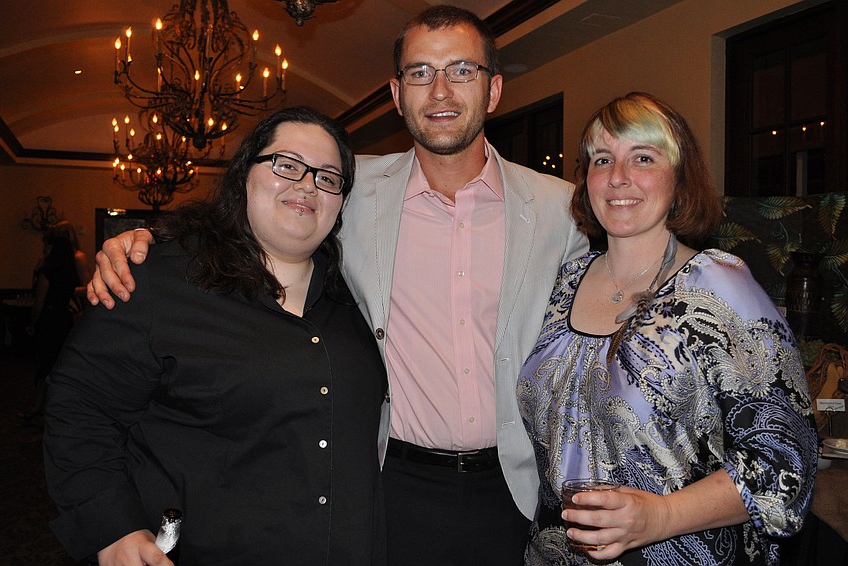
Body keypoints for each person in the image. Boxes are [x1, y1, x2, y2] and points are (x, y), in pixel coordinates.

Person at [86, 6, 589, 565]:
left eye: (462, 70)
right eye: (421, 72)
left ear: (493, 90)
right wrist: (143, 240)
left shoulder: (558, 209)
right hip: (385, 483)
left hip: (512, 487)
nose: (440, 89)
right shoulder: (346, 190)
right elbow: (248, 216)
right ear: (397, 95)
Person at [44, 107, 388, 565]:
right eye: (287, 164)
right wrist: (113, 529)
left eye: (328, 177)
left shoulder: (363, 298)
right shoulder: (157, 280)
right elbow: (80, 411)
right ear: (245, 174)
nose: (308, 184)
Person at [517, 92, 818, 565]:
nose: (618, 177)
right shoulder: (563, 281)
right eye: (601, 159)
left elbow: (786, 466)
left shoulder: (721, 287)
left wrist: (659, 516)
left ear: (678, 178)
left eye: (643, 158)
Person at [18, 228, 79, 419]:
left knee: (44, 364)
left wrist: (33, 323)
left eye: (45, 245)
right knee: (59, 365)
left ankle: (38, 407)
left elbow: (39, 301)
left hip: (50, 320)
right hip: (64, 320)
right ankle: (56, 407)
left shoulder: (47, 272)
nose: (43, 249)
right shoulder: (69, 271)